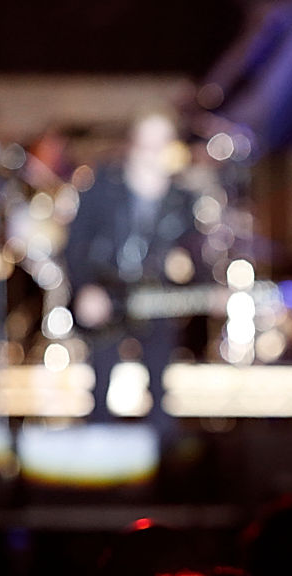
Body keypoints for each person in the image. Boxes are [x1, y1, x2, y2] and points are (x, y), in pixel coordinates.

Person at [64, 107, 205, 438]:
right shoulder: (102, 187)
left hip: (156, 299)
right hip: (107, 292)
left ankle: (162, 458)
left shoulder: (181, 198)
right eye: (148, 143)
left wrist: (200, 283)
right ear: (133, 144)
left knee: (160, 379)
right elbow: (76, 244)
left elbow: (194, 253)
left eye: (162, 143)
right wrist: (85, 288)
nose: (154, 152)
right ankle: (97, 452)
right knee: (100, 383)